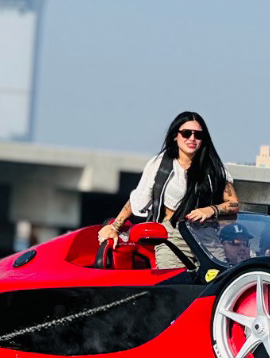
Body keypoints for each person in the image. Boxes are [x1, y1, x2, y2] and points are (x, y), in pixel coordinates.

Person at [98, 111, 239, 269]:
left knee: (217, 285)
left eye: (198, 135)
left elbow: (233, 203)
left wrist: (211, 210)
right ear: (175, 136)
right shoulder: (160, 164)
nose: (192, 138)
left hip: (207, 237)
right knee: (174, 284)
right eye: (186, 133)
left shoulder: (214, 168)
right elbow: (138, 198)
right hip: (172, 236)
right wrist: (114, 227)